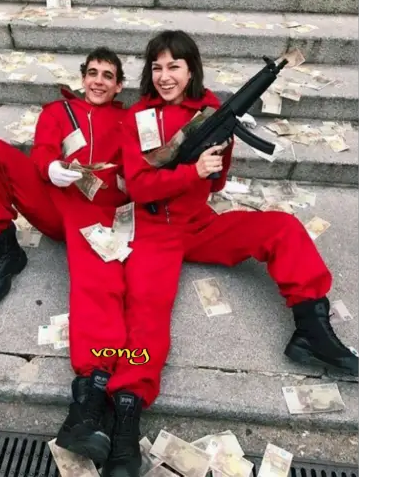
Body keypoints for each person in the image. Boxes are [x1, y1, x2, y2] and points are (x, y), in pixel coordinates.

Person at [121, 31, 358, 385]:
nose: (164, 77)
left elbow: (215, 185)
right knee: (145, 314)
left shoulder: (208, 109)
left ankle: (312, 331)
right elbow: (139, 188)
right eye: (157, 68)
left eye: (174, 66)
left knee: (283, 228)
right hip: (152, 231)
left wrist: (223, 148)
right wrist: (192, 171)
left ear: (191, 70)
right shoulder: (137, 117)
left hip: (199, 226)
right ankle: (129, 394)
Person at [0, 46, 128, 305]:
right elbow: (42, 150)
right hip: (54, 209)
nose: (98, 81)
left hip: (101, 218)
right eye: (92, 73)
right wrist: (50, 166)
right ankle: (4, 250)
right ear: (83, 79)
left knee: (104, 299)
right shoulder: (59, 111)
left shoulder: (129, 119)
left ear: (118, 86)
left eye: (107, 76)